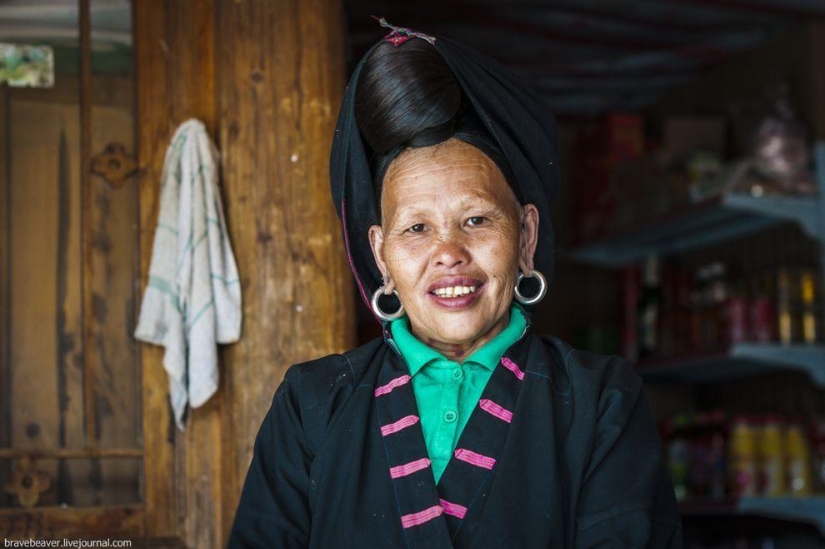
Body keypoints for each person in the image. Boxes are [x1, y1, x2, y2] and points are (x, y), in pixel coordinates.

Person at [228, 21, 683, 549]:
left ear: (526, 238)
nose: (448, 253)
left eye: (477, 220)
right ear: (381, 255)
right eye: (417, 228)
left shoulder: (598, 399)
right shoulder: (312, 403)